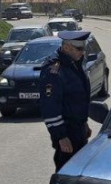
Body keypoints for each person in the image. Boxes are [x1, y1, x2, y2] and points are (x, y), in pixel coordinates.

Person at [40, 31, 93, 172]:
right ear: (67, 47)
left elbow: (78, 100)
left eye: (84, 48)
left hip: (78, 130)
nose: (82, 52)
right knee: (65, 177)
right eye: (79, 49)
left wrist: (84, 123)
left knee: (79, 174)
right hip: (67, 134)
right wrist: (61, 136)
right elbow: (50, 108)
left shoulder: (75, 64)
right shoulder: (54, 71)